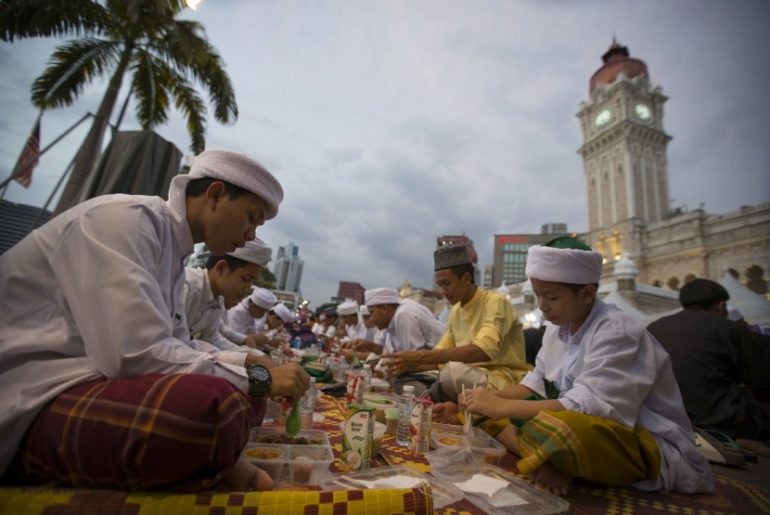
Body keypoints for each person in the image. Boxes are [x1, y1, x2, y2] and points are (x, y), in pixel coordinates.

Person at [0, 149, 310, 491]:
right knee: (213, 407)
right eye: (252, 218)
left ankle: (215, 462)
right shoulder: (129, 221)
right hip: (29, 392)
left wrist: (251, 364)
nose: (251, 234)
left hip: (81, 378)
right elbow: (135, 355)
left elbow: (178, 345)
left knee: (236, 399)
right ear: (215, 195)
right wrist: (258, 378)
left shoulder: (172, 252)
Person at [458, 236, 714, 495]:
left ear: (588, 294)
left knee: (562, 428)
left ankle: (547, 456)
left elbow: (587, 408)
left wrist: (501, 407)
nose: (542, 306)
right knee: (496, 414)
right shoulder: (556, 328)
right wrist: (483, 400)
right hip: (576, 423)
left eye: (551, 297)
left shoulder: (617, 330)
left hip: (639, 439)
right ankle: (550, 460)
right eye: (537, 295)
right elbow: (535, 384)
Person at [384, 245, 530, 403]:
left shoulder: (496, 301)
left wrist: (421, 356)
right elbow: (439, 358)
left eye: (447, 283)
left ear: (466, 278)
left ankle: (431, 397)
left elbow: (482, 351)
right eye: (440, 285)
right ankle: (433, 397)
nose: (443, 291)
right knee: (403, 379)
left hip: (501, 378)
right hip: (463, 376)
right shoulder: (455, 310)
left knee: (452, 374)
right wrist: (408, 366)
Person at [647, 279, 770, 441]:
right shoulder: (727, 328)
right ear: (720, 306)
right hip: (723, 423)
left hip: (666, 420)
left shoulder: (654, 327)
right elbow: (760, 378)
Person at [184, 238, 274, 367]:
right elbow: (177, 347)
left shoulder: (217, 299)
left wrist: (253, 355)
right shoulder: (188, 286)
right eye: (246, 279)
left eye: (251, 282)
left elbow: (213, 339)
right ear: (221, 268)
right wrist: (248, 359)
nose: (248, 289)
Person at [354, 288, 445, 394]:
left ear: (384, 308)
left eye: (371, 313)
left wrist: (389, 370)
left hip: (442, 366)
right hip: (426, 367)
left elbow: (414, 360)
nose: (371, 319)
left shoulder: (403, 315)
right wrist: (380, 368)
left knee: (403, 384)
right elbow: (390, 356)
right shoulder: (392, 321)